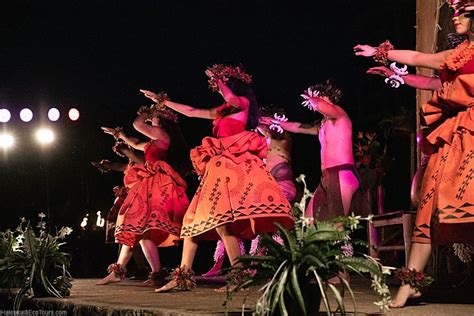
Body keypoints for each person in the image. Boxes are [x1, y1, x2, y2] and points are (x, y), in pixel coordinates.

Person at [354, 0, 474, 307]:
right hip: (452, 138)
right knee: (428, 206)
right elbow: (419, 57)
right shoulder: (456, 54)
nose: (454, 19)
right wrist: (379, 51)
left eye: (461, 13)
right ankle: (410, 284)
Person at [141, 64, 295, 292]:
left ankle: (237, 276)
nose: (217, 88)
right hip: (216, 170)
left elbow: (231, 96)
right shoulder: (222, 110)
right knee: (194, 222)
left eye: (221, 85)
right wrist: (163, 102)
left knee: (222, 224)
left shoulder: (242, 103)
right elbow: (192, 111)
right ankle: (183, 276)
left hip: (232, 169)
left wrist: (218, 79)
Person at [97, 101, 190, 287]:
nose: (151, 119)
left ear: (161, 120)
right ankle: (126, 271)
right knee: (135, 228)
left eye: (154, 116)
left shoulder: (162, 134)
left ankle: (152, 272)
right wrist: (119, 135)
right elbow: (134, 142)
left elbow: (137, 125)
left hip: (156, 186)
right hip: (148, 186)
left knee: (140, 229)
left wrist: (147, 111)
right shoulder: (154, 140)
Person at [202, 106, 298, 278]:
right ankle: (232, 262)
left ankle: (274, 263)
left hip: (283, 187)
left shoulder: (282, 137)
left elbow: (272, 130)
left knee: (271, 226)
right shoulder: (259, 142)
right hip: (265, 189)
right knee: (233, 218)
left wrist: (257, 117)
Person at [260, 82, 368, 221]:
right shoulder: (322, 124)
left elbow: (320, 105)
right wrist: (274, 122)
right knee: (310, 221)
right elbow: (297, 127)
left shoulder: (339, 114)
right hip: (327, 176)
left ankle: (342, 243)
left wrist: (312, 98)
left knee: (336, 224)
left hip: (342, 173)